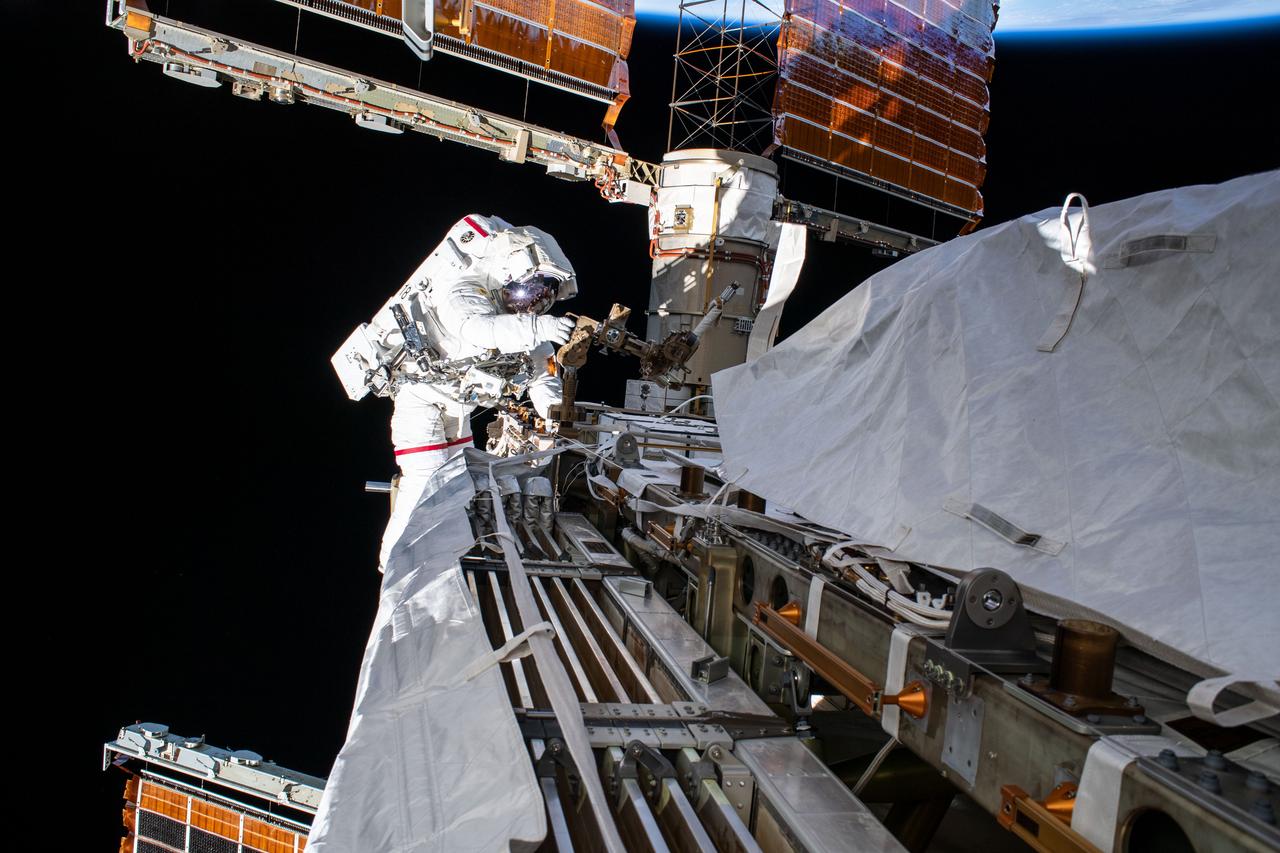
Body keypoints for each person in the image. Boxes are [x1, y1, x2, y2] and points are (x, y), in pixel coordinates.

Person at [334, 214, 578, 570]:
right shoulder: (466, 290)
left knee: (457, 482)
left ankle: (449, 552)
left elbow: (542, 373)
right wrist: (536, 324)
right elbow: (476, 329)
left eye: (543, 297)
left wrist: (555, 414)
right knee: (424, 481)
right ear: (507, 273)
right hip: (422, 400)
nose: (532, 302)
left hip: (455, 405)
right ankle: (394, 565)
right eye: (530, 291)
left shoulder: (521, 323)